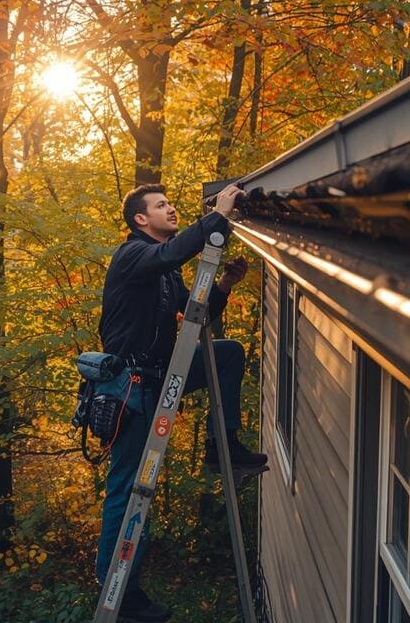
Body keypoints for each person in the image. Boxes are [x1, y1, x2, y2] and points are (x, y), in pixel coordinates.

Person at [95, 182, 268, 622]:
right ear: (140, 220)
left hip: (163, 372)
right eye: (161, 206)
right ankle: (118, 586)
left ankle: (222, 445)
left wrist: (224, 285)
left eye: (170, 204)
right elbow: (170, 254)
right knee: (129, 489)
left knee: (227, 354)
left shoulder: (167, 273)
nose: (170, 209)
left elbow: (195, 322)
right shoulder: (132, 255)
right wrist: (218, 218)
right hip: (132, 388)